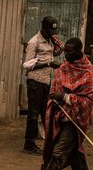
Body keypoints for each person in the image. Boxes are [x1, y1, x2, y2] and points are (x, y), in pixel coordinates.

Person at [24, 38, 93, 170]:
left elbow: (88, 101)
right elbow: (56, 88)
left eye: (71, 51)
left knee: (59, 153)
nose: (67, 54)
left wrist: (64, 97)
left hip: (76, 120)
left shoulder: (89, 72)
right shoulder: (64, 68)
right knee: (75, 155)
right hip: (61, 117)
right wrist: (56, 98)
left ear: (80, 51)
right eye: (66, 50)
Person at [22, 16, 64, 154]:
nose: (53, 34)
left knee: (45, 113)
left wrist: (60, 47)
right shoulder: (34, 42)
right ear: (44, 28)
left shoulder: (50, 40)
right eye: (51, 31)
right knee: (33, 114)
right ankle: (29, 144)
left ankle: (48, 142)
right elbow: (27, 66)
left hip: (46, 81)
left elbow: (53, 54)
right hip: (35, 82)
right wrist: (48, 64)